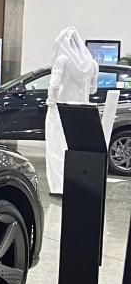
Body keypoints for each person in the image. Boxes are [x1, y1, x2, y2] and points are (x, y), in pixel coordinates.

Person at [45, 26, 98, 196]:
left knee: (56, 149)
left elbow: (53, 85)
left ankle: (58, 187)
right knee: (76, 150)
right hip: (82, 112)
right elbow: (93, 90)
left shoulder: (62, 60)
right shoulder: (92, 64)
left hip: (60, 111)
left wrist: (51, 101)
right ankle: (75, 184)